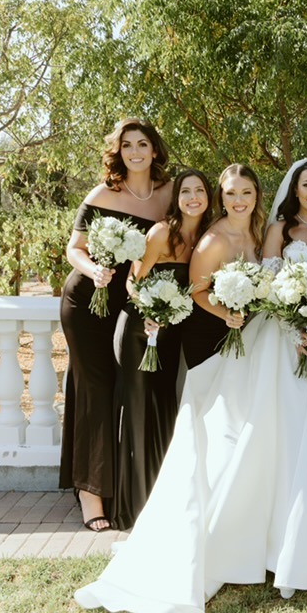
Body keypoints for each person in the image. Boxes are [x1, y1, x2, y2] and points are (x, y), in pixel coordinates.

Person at [74, 160, 307, 613]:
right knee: (279, 430)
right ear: (295, 189)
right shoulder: (275, 230)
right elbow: (270, 286)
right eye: (306, 184)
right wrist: (299, 321)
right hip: (282, 337)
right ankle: (274, 536)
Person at [59, 118, 172, 531]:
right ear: (119, 151)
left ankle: (125, 488)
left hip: (132, 308)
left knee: (128, 391)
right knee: (94, 390)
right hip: (87, 302)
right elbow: (74, 248)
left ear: (155, 150)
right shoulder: (104, 192)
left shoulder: (168, 194)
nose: (136, 152)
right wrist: (94, 271)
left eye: (143, 144)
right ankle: (91, 497)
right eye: (128, 145)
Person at [110, 169, 213, 531]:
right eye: (186, 191)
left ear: (208, 197)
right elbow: (133, 282)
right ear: (177, 198)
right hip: (141, 331)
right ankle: (135, 510)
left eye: (200, 190)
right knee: (139, 415)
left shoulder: (206, 238)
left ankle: (161, 500)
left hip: (169, 340)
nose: (193, 197)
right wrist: (152, 313)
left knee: (164, 410)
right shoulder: (160, 233)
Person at [180, 162, 266, 367]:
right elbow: (196, 291)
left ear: (256, 196)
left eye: (246, 192)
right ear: (221, 197)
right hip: (208, 333)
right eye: (230, 193)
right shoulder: (214, 241)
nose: (239, 201)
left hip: (247, 332)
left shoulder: (260, 231)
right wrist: (226, 314)